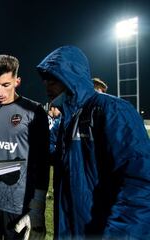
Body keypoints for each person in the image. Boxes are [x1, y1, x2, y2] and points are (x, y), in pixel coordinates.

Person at [37, 45, 150, 239]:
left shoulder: (112, 110)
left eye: (54, 78)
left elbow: (140, 183)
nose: (47, 85)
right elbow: (53, 156)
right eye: (45, 78)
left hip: (103, 231)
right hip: (72, 229)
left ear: (72, 77)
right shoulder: (67, 119)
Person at [0, 55, 50, 240]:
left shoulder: (34, 112)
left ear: (17, 81)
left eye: (6, 85)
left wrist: (38, 208)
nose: (0, 91)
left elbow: (42, 164)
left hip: (19, 206)